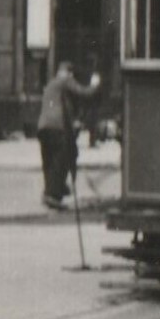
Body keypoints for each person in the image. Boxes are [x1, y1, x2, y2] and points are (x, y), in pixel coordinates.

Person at [37, 61, 99, 210]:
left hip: (43, 127)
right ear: (68, 72)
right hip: (57, 127)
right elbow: (84, 92)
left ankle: (50, 192)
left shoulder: (52, 84)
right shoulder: (65, 80)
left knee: (49, 160)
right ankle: (53, 194)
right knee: (61, 159)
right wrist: (95, 84)